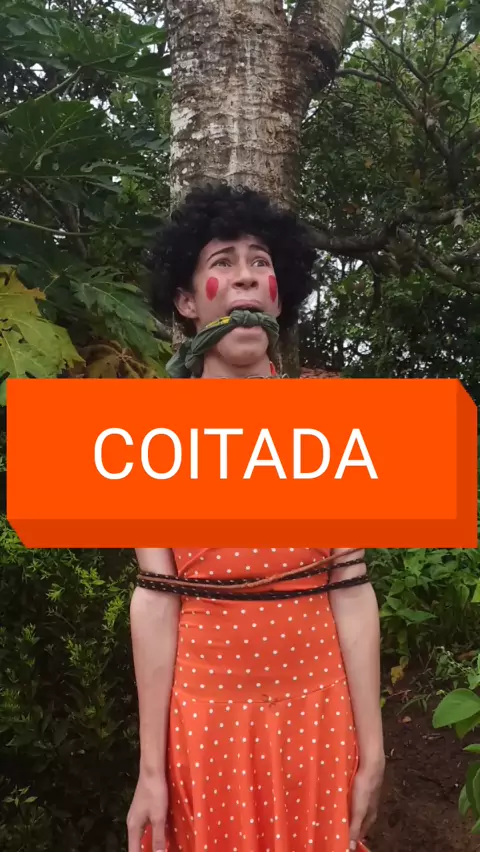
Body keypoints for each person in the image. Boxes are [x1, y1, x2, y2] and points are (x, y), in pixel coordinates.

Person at [127, 184, 385, 852]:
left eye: (260, 262)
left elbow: (351, 585)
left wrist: (373, 749)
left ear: (278, 293)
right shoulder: (149, 437)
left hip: (318, 719)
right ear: (188, 302)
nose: (245, 274)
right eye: (222, 261)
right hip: (204, 725)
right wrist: (150, 770)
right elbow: (155, 600)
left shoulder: (331, 420)